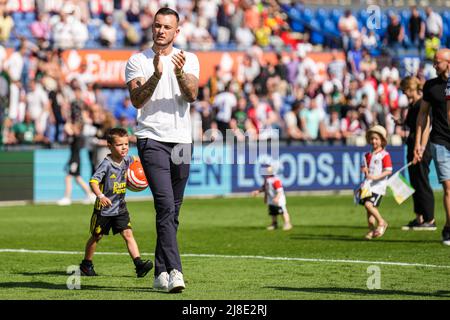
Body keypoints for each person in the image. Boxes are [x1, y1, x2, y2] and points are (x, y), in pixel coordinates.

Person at [125, 7, 199, 293]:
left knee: (173, 211)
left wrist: (178, 72)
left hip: (182, 140)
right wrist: (156, 76)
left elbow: (191, 94)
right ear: (152, 27)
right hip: (151, 138)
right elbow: (137, 101)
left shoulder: (188, 59)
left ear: (176, 31)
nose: (161, 31)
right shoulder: (137, 61)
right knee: (165, 206)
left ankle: (159, 272)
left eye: (167, 27)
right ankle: (175, 270)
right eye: (157, 25)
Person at [79, 128, 153, 277]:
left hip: (120, 207)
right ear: (110, 146)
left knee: (128, 234)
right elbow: (93, 181)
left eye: (126, 144)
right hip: (104, 209)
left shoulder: (127, 160)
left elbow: (137, 160)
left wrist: (141, 171)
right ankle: (86, 264)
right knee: (96, 236)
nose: (124, 147)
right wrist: (100, 196)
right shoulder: (106, 164)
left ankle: (139, 264)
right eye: (120, 145)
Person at [415, 49, 450, 246]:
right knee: (448, 187)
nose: (434, 65)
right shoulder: (430, 86)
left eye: (437, 62)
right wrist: (420, 144)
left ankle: (447, 225)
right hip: (440, 140)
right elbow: (423, 116)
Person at [398, 77, 435, 231]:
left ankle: (429, 219)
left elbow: (426, 126)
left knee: (421, 181)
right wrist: (399, 123)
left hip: (421, 147)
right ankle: (419, 217)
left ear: (409, 89)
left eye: (403, 90)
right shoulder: (414, 105)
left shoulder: (422, 104)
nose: (403, 93)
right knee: (414, 182)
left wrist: (419, 147)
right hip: (413, 144)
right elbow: (411, 124)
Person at [359, 125, 393, 240]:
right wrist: (364, 170)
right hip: (368, 186)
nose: (374, 141)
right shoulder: (367, 155)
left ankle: (382, 222)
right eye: (372, 138)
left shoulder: (384, 155)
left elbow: (388, 170)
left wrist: (376, 177)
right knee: (368, 209)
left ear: (382, 141)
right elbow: (365, 168)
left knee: (369, 205)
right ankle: (372, 230)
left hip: (378, 186)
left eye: (376, 139)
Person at [252, 162, 293, 231]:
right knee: (273, 211)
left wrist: (277, 197)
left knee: (282, 211)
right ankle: (274, 223)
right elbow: (265, 187)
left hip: (278, 198)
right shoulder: (267, 179)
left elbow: (280, 191)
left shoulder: (275, 179)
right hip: (271, 198)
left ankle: (287, 223)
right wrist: (258, 191)